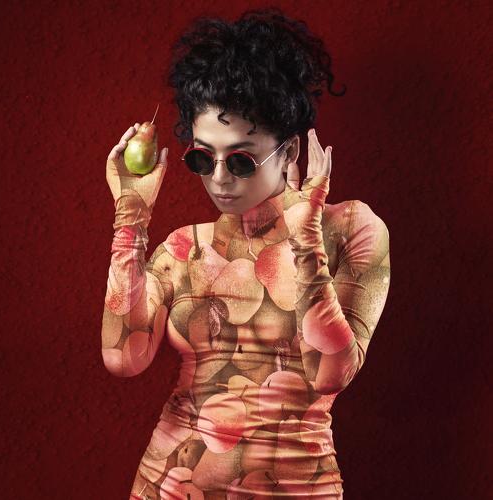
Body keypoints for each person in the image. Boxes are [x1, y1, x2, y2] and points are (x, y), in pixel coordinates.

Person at [102, 7, 390, 499]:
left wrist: (306, 243)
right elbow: (122, 358)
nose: (218, 179)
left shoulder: (350, 229)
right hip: (169, 485)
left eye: (240, 160)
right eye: (202, 157)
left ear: (290, 152)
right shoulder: (183, 249)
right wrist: (131, 217)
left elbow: (330, 373)